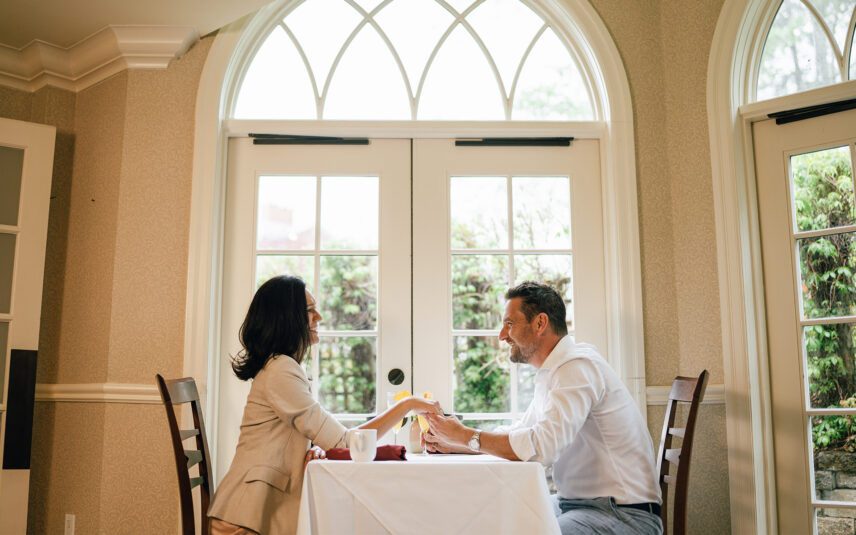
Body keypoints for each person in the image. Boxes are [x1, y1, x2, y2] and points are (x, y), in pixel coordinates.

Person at [424, 281, 662, 535]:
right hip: (579, 507)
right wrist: (457, 443)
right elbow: (521, 433)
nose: (502, 335)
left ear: (540, 323)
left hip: (623, 516)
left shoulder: (577, 367)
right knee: (492, 517)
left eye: (510, 324)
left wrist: (465, 437)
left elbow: (542, 447)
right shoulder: (553, 373)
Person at [208, 275, 440, 535]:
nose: (318, 317)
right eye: (310, 311)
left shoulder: (280, 366)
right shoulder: (281, 370)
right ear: (287, 318)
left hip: (254, 513)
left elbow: (306, 435)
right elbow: (346, 443)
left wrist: (314, 445)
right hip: (245, 523)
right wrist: (407, 404)